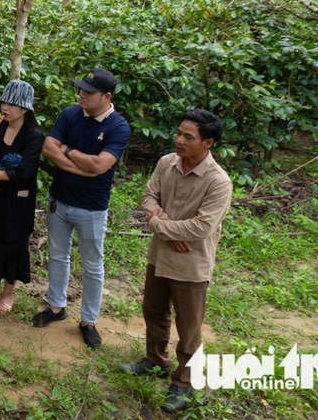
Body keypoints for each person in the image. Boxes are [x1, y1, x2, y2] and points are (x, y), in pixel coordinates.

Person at [120, 110, 232, 413]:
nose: (178, 140)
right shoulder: (166, 163)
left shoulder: (218, 181)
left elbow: (201, 228)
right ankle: (155, 361)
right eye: (179, 133)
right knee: (153, 311)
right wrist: (167, 226)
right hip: (160, 256)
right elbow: (148, 198)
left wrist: (157, 223)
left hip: (190, 265)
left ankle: (184, 382)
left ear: (207, 142)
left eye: (188, 137)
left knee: (189, 327)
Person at [34, 67, 131, 349]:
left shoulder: (118, 126)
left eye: (89, 92)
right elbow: (48, 148)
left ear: (107, 96)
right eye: (80, 90)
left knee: (92, 265)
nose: (82, 96)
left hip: (91, 208)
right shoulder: (70, 113)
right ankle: (56, 307)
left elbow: (101, 166)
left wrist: (67, 151)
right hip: (59, 200)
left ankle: (88, 320)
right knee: (58, 256)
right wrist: (83, 165)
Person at [0, 81, 44, 315]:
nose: (6, 107)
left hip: (16, 201)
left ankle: (7, 294)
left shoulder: (33, 136)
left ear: (25, 109)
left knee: (12, 245)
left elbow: (24, 172)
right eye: (4, 101)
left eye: (13, 104)